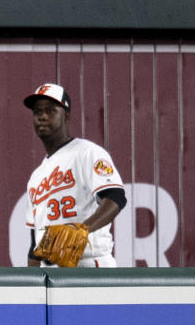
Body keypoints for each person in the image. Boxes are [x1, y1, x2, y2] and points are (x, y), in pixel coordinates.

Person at [23, 83, 127, 268]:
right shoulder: (36, 177)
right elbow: (34, 246)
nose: (43, 116)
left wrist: (82, 230)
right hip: (51, 272)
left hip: (90, 265)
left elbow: (115, 197)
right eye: (37, 112)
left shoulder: (87, 152)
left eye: (50, 110)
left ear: (66, 116)